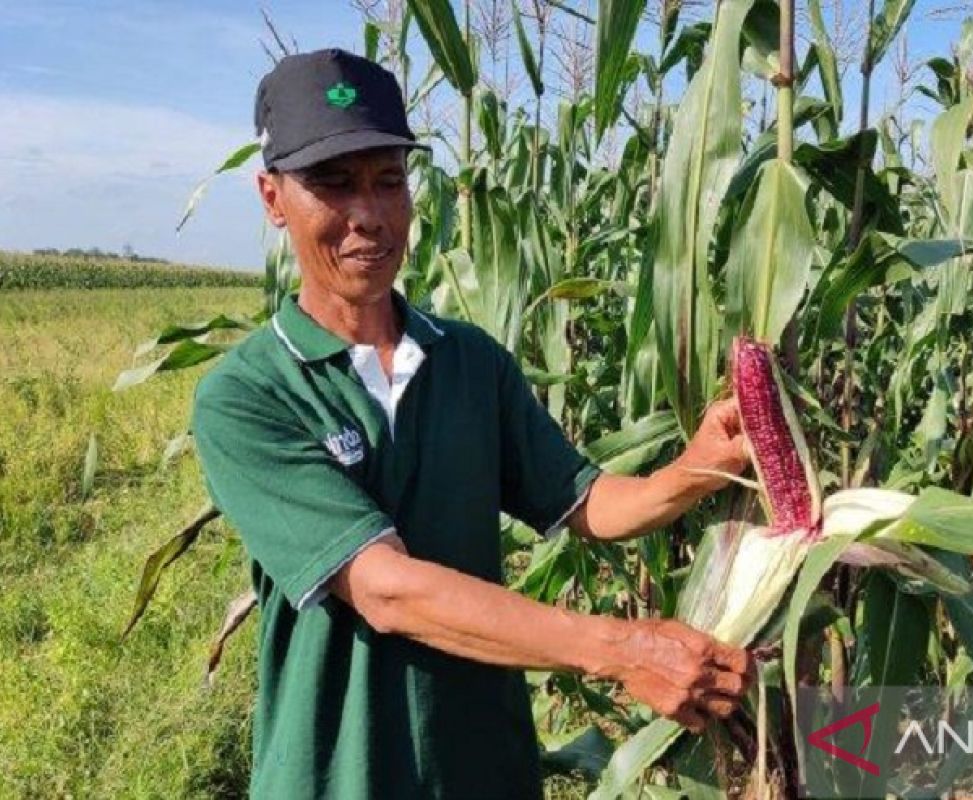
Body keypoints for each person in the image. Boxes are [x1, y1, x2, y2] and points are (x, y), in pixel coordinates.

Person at [191, 48, 754, 800]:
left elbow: (583, 503)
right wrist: (620, 648)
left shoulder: (470, 362)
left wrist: (697, 466)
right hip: (338, 775)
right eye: (333, 184)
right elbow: (387, 589)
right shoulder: (248, 393)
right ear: (271, 196)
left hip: (483, 769)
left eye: (388, 180)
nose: (368, 214)